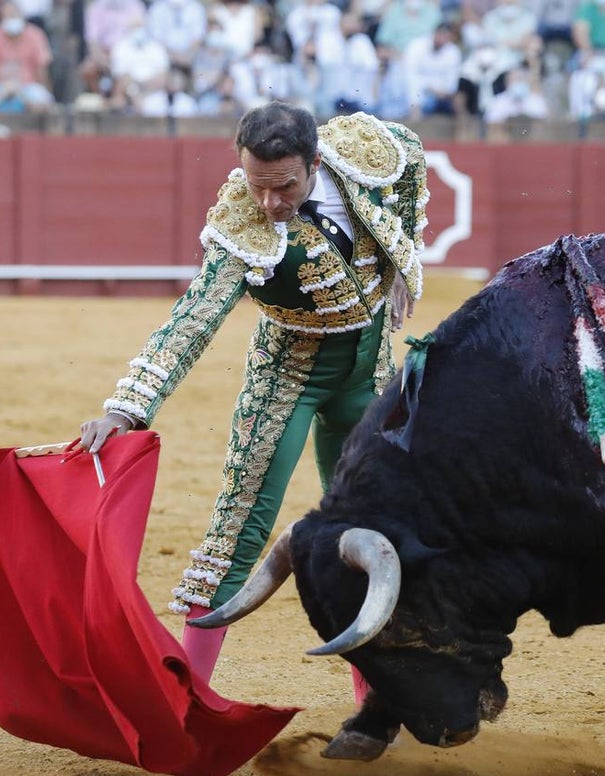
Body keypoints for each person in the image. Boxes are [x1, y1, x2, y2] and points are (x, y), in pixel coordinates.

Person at [71, 102, 430, 690]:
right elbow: (195, 318)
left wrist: (401, 259)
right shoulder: (242, 222)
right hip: (287, 379)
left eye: (284, 187)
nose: (269, 204)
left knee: (375, 526)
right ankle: (189, 695)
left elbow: (409, 158)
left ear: (317, 162)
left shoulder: (366, 150)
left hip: (367, 375)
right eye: (256, 185)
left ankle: (375, 705)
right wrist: (127, 405)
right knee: (240, 524)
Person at [0, 0, 54, 114]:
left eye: (14, 14)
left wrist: (22, 92)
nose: (11, 19)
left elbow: (42, 70)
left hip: (28, 87)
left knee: (43, 103)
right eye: (7, 16)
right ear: (1, 19)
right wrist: (1, 92)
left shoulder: (36, 35)